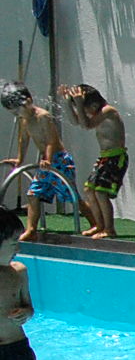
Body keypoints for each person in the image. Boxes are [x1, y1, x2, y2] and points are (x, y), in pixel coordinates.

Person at [1, 81, 77, 243]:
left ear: (28, 101)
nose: (17, 114)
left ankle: (96, 223)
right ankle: (31, 230)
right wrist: (20, 159)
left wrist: (48, 160)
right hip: (45, 161)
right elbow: (23, 140)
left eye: (17, 110)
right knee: (33, 194)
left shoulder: (43, 116)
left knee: (72, 196)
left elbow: (51, 141)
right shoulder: (25, 120)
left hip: (59, 161)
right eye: (14, 112)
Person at [57, 83, 125, 238]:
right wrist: (67, 103)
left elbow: (86, 125)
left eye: (84, 108)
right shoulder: (97, 113)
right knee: (89, 190)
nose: (84, 112)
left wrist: (78, 103)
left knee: (101, 192)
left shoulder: (108, 111)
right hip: (105, 157)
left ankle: (109, 229)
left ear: (94, 105)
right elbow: (76, 122)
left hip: (116, 157)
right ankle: (99, 225)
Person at [0, 209, 37, 360]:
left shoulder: (18, 272)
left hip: (16, 351)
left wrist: (26, 313)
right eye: (14, 243)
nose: (18, 250)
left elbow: (28, 307)